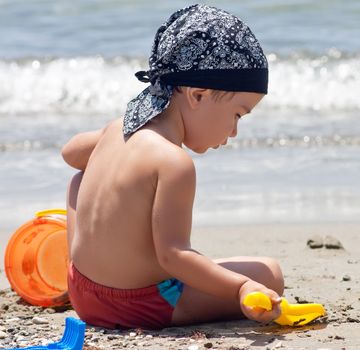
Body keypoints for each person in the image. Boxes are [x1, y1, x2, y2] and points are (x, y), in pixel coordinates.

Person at [61, 4, 284, 330]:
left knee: (81, 180)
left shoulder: (118, 128)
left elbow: (70, 153)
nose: (234, 131)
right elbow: (174, 257)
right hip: (137, 306)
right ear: (197, 95)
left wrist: (108, 154)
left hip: (82, 292)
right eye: (237, 115)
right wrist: (241, 287)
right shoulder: (173, 163)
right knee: (269, 273)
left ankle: (91, 262)